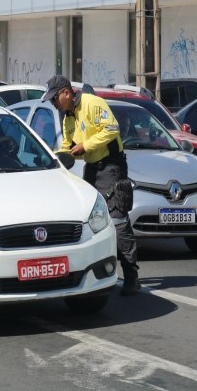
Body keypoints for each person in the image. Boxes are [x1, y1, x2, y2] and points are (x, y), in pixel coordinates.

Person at [42, 75, 140, 296]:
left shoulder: (92, 103)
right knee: (88, 218)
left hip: (111, 166)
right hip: (92, 167)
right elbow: (68, 147)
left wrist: (85, 145)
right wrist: (54, 160)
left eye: (54, 99)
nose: (53, 104)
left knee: (116, 218)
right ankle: (93, 271)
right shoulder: (66, 117)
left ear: (66, 93)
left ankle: (131, 276)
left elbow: (112, 129)